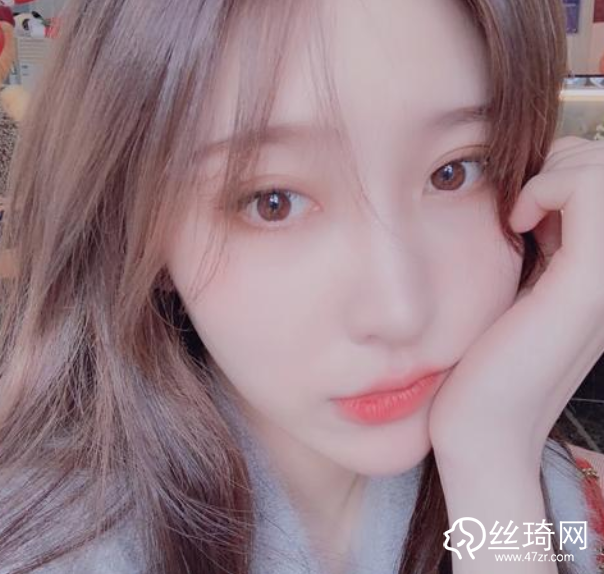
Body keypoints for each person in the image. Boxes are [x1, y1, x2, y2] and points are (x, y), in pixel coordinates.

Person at [0, 0, 603, 573]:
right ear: (141, 232)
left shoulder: (537, 480)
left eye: (454, 172)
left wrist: (492, 458)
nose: (399, 311)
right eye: (273, 201)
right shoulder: (50, 550)